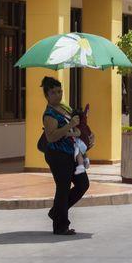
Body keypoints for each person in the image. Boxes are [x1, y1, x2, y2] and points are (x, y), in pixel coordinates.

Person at [41, 77, 92, 235]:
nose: (57, 94)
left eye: (59, 91)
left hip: (72, 153)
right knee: (63, 189)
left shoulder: (64, 108)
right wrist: (70, 126)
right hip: (57, 154)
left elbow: (76, 129)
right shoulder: (49, 114)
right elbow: (51, 137)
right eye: (53, 92)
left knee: (83, 184)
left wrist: (84, 133)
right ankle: (60, 226)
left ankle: (57, 211)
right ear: (47, 95)